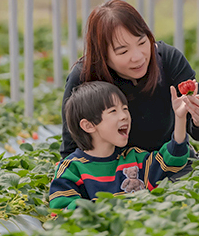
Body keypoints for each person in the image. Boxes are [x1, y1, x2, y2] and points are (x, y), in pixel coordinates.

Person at [60, 0, 199, 178]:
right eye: (122, 52)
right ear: (102, 55)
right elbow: (71, 146)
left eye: (142, 42)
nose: (137, 57)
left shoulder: (167, 60)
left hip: (168, 165)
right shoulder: (84, 77)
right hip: (113, 175)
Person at [49, 81, 190, 210]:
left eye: (125, 108)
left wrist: (180, 117)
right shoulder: (72, 168)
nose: (124, 116)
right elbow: (62, 211)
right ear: (89, 125)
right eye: (113, 111)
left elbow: (172, 160)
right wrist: (102, 208)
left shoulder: (136, 158)